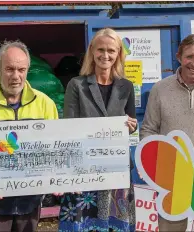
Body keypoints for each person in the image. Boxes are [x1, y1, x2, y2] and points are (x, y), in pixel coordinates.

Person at [0, 40, 59, 232]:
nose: (16, 76)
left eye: (21, 69)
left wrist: (56, 177)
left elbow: (54, 147)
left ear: (27, 70)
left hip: (30, 199)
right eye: (9, 69)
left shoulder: (46, 104)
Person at [58, 28, 138, 232]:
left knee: (115, 225)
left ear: (118, 53)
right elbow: (69, 128)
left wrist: (131, 126)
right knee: (83, 224)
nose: (105, 55)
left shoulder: (126, 87)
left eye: (111, 50)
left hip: (116, 168)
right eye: (100, 49)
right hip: (83, 168)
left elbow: (131, 125)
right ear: (92, 52)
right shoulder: (76, 85)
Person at [140, 34, 194, 231]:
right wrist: (149, 163)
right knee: (171, 227)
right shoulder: (160, 89)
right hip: (171, 176)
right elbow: (149, 128)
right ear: (178, 57)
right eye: (189, 57)